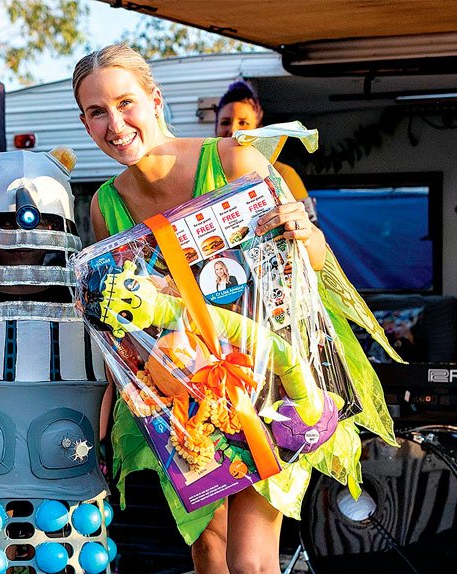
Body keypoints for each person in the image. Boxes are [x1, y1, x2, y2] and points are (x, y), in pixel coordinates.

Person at [73, 44, 329, 574]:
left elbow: (313, 268)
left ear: (155, 98)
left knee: (251, 559)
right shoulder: (107, 205)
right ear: (84, 121)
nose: (115, 124)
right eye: (97, 112)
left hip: (265, 379)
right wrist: (110, 395)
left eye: (126, 103)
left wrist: (305, 233)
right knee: (208, 552)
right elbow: (122, 327)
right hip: (183, 398)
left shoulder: (233, 159)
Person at [215, 80, 318, 222]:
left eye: (243, 122)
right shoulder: (204, 175)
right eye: (225, 122)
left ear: (259, 130)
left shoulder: (282, 174)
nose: (233, 131)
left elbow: (314, 230)